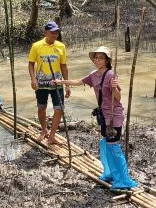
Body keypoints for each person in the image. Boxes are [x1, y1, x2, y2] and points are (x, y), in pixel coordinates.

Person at [54, 46, 138, 190]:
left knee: (113, 146)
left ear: (107, 61)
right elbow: (79, 82)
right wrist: (61, 82)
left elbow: (118, 98)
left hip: (114, 115)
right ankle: (110, 173)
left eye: (101, 58)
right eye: (96, 58)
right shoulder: (93, 75)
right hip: (104, 115)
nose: (97, 60)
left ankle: (123, 179)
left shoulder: (111, 74)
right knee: (106, 143)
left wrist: (114, 87)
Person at [28, 21, 71, 145]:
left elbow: (64, 66)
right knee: (42, 107)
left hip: (57, 83)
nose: (54, 35)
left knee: (59, 109)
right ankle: (44, 130)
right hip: (41, 83)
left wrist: (67, 84)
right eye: (52, 32)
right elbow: (31, 64)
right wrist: (33, 79)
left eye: (56, 32)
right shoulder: (36, 46)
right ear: (45, 32)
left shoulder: (61, 46)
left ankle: (52, 135)